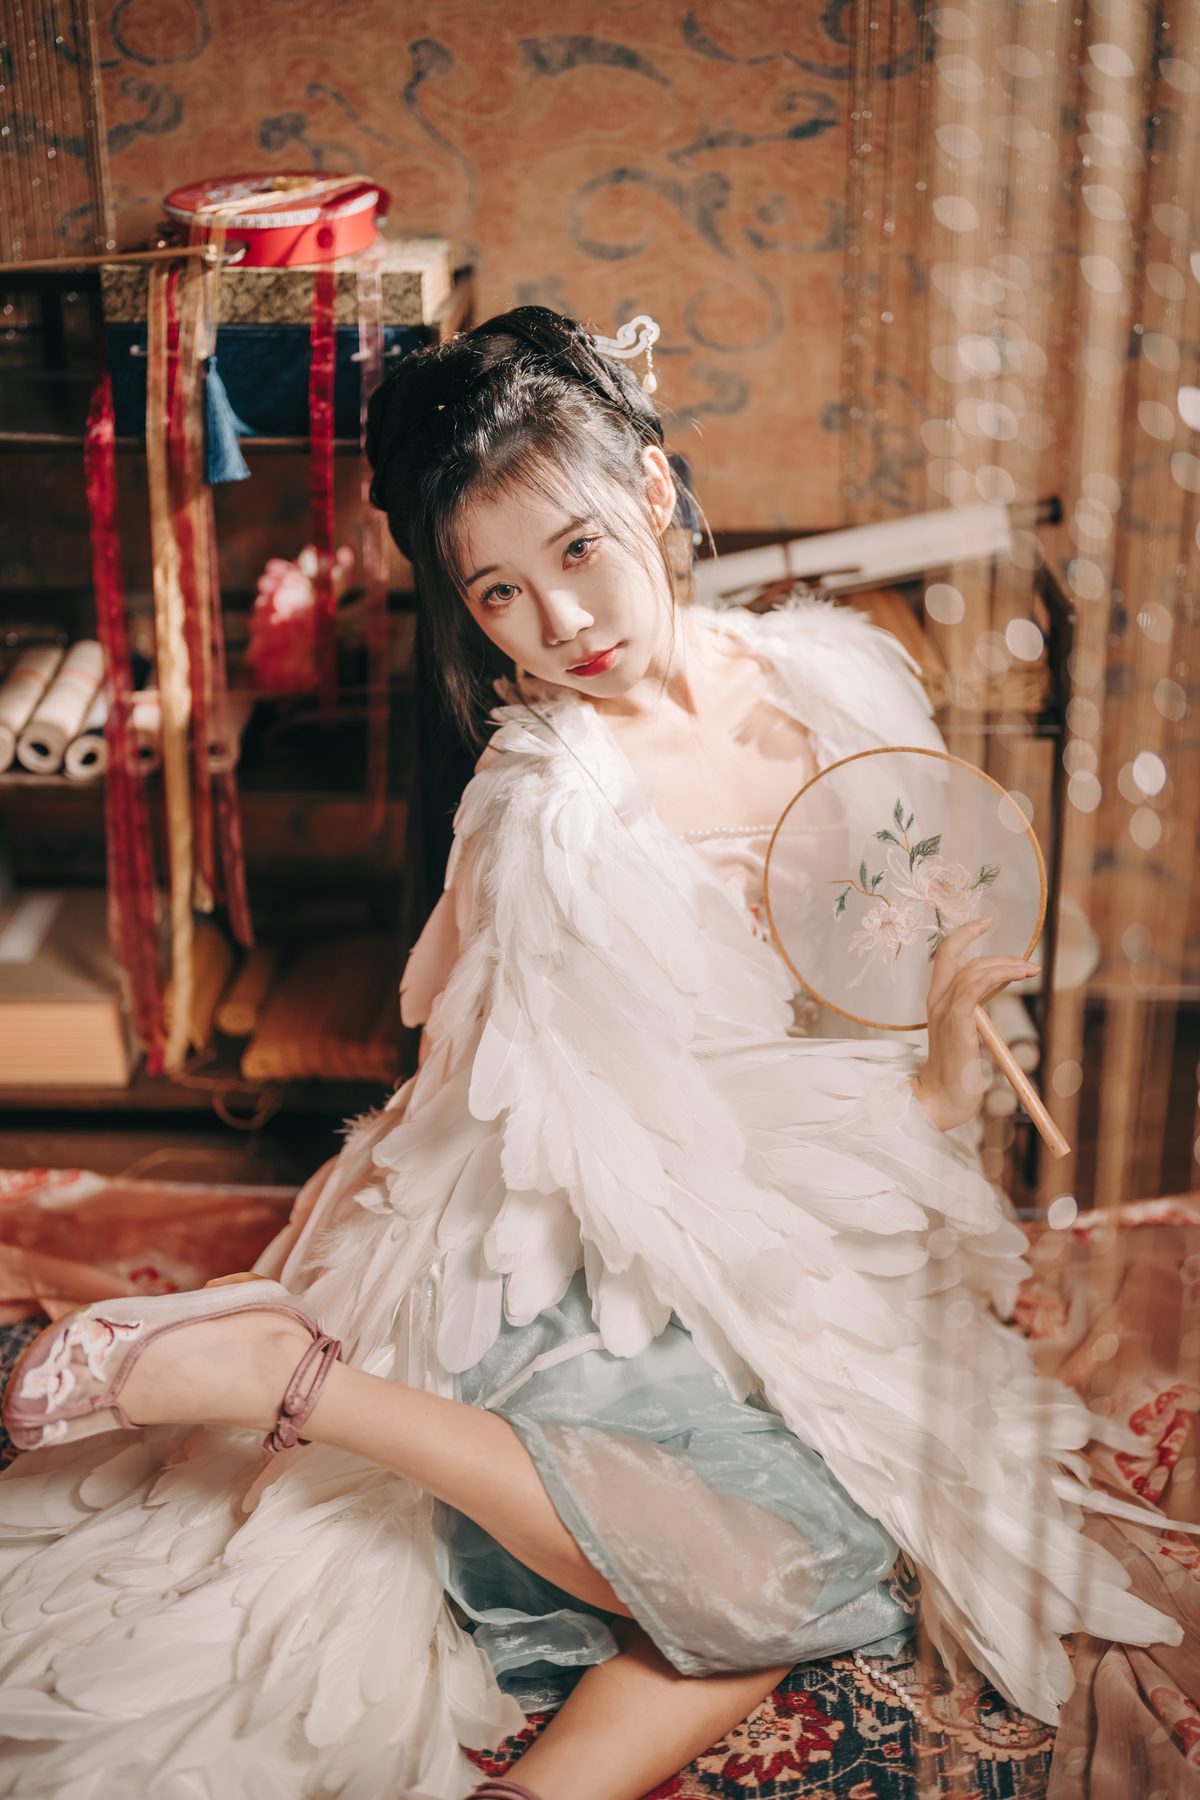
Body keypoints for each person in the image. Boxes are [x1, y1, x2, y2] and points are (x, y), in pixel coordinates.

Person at [0, 306, 1190, 1800]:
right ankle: (301, 1384)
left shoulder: (840, 689)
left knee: (797, 1571)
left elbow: (866, 1058)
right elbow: (621, 1166)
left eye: (577, 550)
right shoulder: (550, 812)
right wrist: (854, 1211)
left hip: (793, 1207)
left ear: (653, 487)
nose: (562, 622)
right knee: (805, 1550)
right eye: (499, 592)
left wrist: (942, 1051)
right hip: (588, 1248)